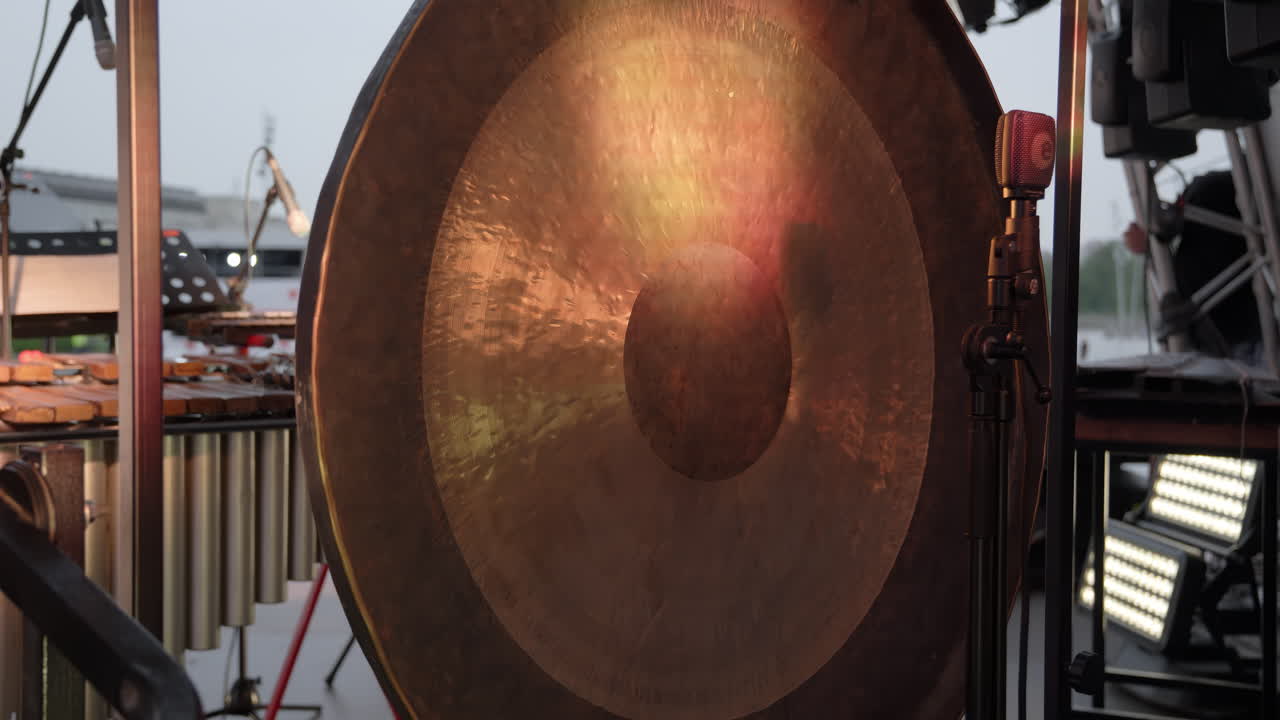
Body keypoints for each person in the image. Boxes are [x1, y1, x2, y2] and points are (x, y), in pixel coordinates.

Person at [1123, 170, 1262, 365]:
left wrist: (1151, 246)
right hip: (1234, 333)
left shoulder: (1207, 191)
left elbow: (1172, 232)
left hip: (1230, 338)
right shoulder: (1224, 187)